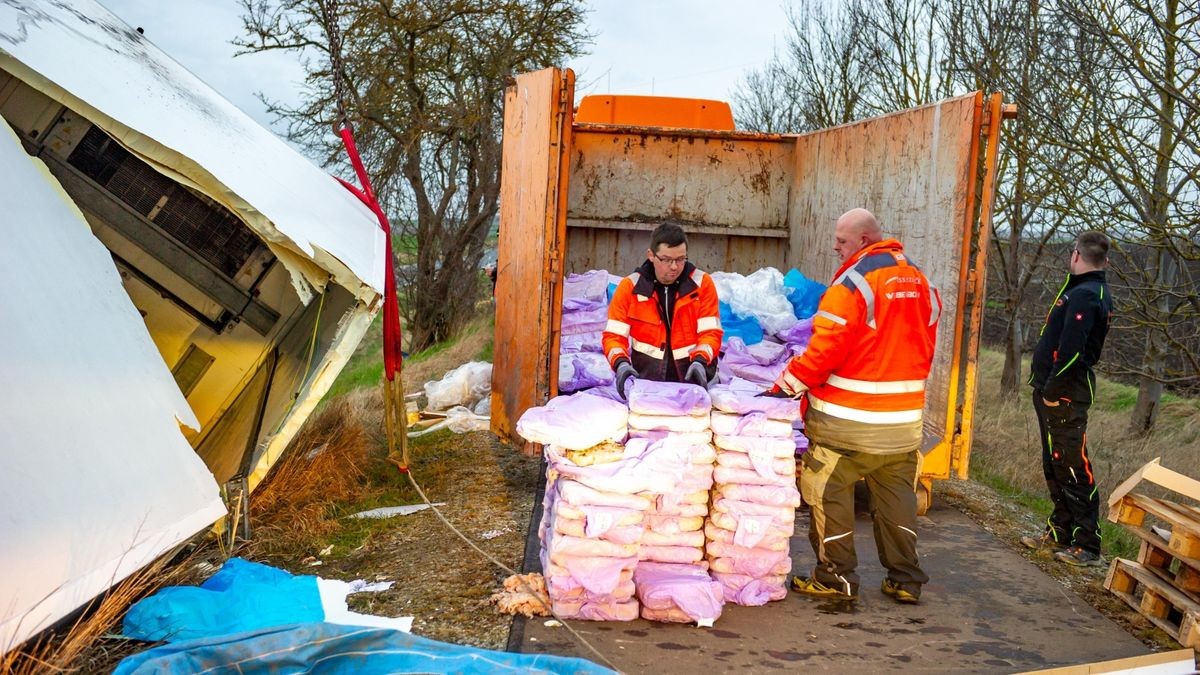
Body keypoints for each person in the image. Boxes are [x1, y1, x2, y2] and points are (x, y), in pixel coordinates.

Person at [766, 208, 941, 604]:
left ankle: (835, 579)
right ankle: (905, 580)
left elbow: (825, 349)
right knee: (897, 500)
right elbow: (923, 348)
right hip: (904, 423)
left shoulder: (852, 284)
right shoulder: (921, 281)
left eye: (841, 241)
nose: (835, 247)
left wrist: (786, 386)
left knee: (829, 493)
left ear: (863, 240)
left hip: (849, 423)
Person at [1022, 231, 1112, 567]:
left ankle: (1088, 544)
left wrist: (1053, 390)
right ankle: (1060, 530)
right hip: (1050, 391)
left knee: (1073, 465)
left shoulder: (1088, 295)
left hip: (1066, 394)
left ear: (1076, 255)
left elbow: (1073, 352)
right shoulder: (1079, 288)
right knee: (1054, 461)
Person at [602, 223, 723, 398]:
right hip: (647, 386)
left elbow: (711, 333)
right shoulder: (630, 288)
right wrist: (620, 363)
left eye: (681, 259)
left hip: (698, 381)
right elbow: (613, 337)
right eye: (667, 260)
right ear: (651, 255)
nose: (674, 267)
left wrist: (701, 361)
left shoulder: (702, 284)